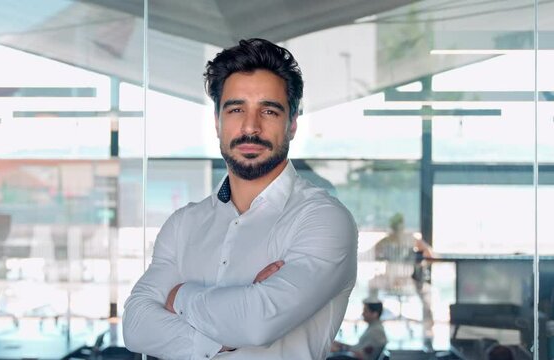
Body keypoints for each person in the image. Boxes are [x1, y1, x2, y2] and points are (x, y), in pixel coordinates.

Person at [122, 38, 358, 359]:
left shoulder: (323, 219)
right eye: (236, 109)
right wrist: (227, 330)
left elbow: (256, 323)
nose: (250, 126)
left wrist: (178, 297)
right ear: (218, 123)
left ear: (292, 125)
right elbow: (136, 327)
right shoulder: (183, 224)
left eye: (269, 111)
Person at [371, 213, 434, 346]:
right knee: (426, 291)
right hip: (408, 283)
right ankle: (429, 327)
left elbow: (373, 253)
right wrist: (419, 264)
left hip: (389, 283)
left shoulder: (386, 240)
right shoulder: (411, 239)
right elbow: (429, 254)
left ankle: (372, 316)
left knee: (372, 285)